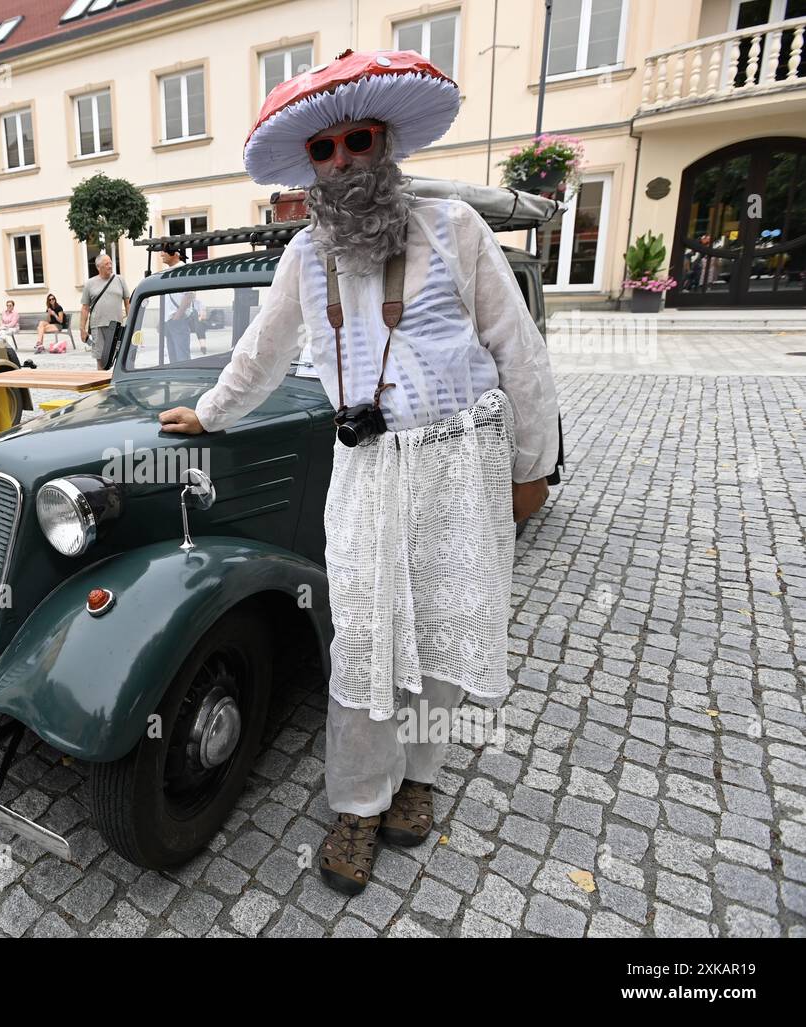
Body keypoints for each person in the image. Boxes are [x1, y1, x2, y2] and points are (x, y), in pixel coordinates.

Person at [158, 50, 559, 896]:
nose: (342, 161)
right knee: (367, 643)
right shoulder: (304, 256)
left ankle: (419, 778)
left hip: (458, 464)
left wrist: (534, 466)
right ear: (310, 165)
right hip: (368, 470)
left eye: (359, 140)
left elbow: (518, 350)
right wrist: (212, 413)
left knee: (441, 635)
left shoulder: (456, 229)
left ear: (388, 143)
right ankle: (358, 802)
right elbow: (262, 351)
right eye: (324, 150)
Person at [79, 252, 129, 369]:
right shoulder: (90, 284)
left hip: (117, 326)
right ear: (98, 267)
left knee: (119, 357)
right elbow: (85, 308)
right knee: (100, 359)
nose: (110, 266)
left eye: (111, 263)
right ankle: (102, 386)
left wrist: (130, 322)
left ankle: (116, 384)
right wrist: (82, 329)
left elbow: (128, 302)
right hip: (98, 326)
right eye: (106, 264)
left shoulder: (120, 280)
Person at [157, 244, 194, 362]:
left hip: (178, 320)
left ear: (176, 254)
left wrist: (177, 316)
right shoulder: (169, 271)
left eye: (164, 251)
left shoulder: (184, 270)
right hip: (170, 320)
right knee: (173, 358)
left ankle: (185, 380)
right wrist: (162, 319)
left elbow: (189, 295)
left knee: (182, 357)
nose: (161, 254)